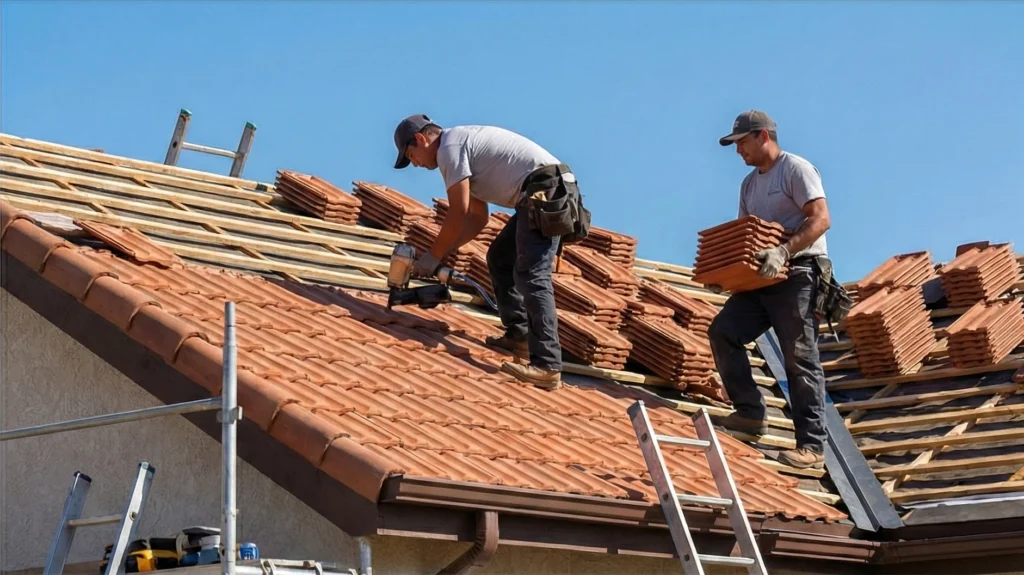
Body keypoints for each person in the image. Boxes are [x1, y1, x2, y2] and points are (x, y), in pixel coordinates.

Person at [392, 113, 581, 391]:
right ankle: (519, 335)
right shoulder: (460, 149)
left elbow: (459, 210)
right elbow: (478, 219)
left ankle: (547, 365)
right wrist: (441, 254)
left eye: (412, 155)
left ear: (421, 139)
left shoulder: (449, 148)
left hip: (546, 190)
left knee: (533, 276)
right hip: (543, 190)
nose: (416, 164)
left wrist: (433, 256)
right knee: (500, 259)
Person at [710, 110, 832, 469]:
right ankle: (749, 412)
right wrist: (729, 273)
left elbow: (821, 218)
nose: (738, 152)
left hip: (798, 274)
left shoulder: (795, 169)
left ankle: (811, 446)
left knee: (799, 358)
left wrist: (783, 251)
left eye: (742, 143)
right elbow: (746, 236)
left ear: (763, 136)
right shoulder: (749, 185)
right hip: (761, 279)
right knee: (723, 332)